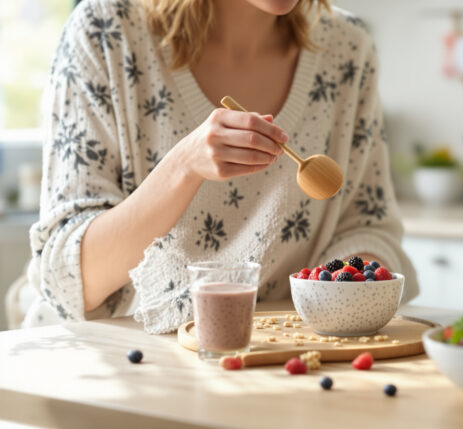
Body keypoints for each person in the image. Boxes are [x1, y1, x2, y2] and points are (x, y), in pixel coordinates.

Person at [22, 0, 418, 333]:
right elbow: (68, 277)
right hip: (110, 363)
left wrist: (345, 286)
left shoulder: (348, 48)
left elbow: (367, 227)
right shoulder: (107, 32)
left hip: (274, 360)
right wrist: (183, 167)